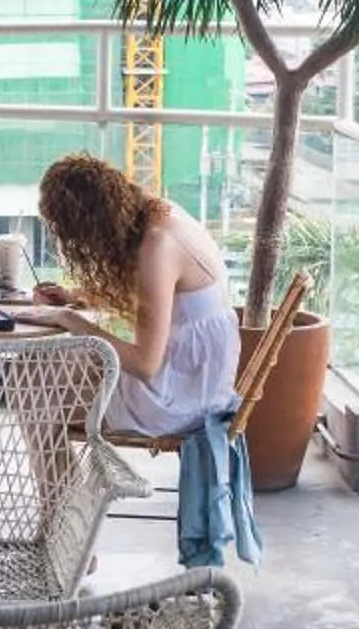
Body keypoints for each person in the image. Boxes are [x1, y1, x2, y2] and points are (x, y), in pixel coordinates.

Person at [26, 151, 241, 438]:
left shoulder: (157, 246)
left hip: (178, 399)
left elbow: (144, 364)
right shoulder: (157, 214)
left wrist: (68, 318)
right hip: (191, 378)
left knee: (36, 402)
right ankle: (67, 484)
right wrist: (73, 295)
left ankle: (63, 485)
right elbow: (155, 295)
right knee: (51, 370)